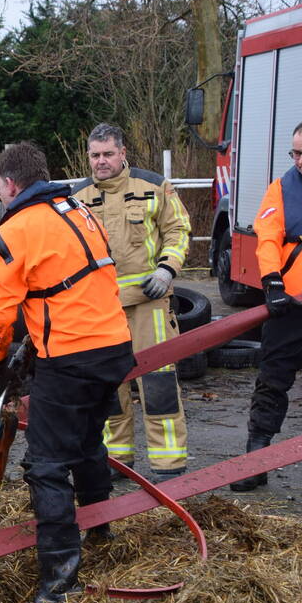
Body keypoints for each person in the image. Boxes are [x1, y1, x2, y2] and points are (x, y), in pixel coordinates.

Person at [0, 142, 134, 603]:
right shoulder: (80, 209)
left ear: (10, 184)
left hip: (70, 356)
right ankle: (101, 532)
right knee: (87, 443)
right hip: (114, 348)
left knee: (46, 464)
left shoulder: (14, 230)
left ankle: (59, 584)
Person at [231, 119, 302, 492]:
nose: (301, 160)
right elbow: (268, 236)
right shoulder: (281, 188)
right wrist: (272, 281)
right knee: (271, 381)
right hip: (291, 305)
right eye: (295, 153)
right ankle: (256, 460)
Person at [71, 123, 192, 482]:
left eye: (108, 154)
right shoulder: (77, 196)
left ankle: (169, 465)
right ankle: (117, 460)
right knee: (109, 387)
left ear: (123, 153)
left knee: (159, 385)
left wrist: (167, 272)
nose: (101, 162)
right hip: (100, 309)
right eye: (95, 155)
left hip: (149, 303)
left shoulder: (154, 186)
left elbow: (178, 229)